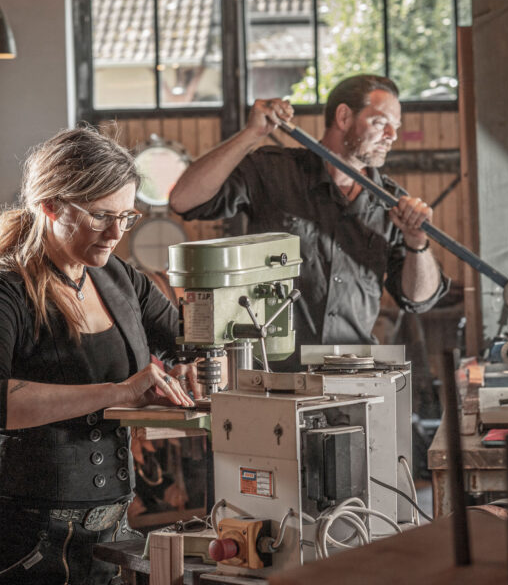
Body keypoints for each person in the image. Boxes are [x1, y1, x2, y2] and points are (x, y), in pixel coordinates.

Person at [0, 126, 198, 585]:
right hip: (28, 530)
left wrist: (196, 360)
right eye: (99, 216)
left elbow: (183, 340)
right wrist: (121, 391)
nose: (115, 234)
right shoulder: (9, 290)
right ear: (50, 205)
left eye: (126, 216)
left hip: (112, 521)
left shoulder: (119, 279)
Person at [169, 74, 449, 370]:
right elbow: (184, 200)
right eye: (380, 122)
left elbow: (418, 299)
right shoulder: (275, 172)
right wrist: (251, 134)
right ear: (343, 117)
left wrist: (418, 243)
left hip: (353, 376)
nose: (392, 134)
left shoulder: (392, 203)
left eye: (396, 126)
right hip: (272, 378)